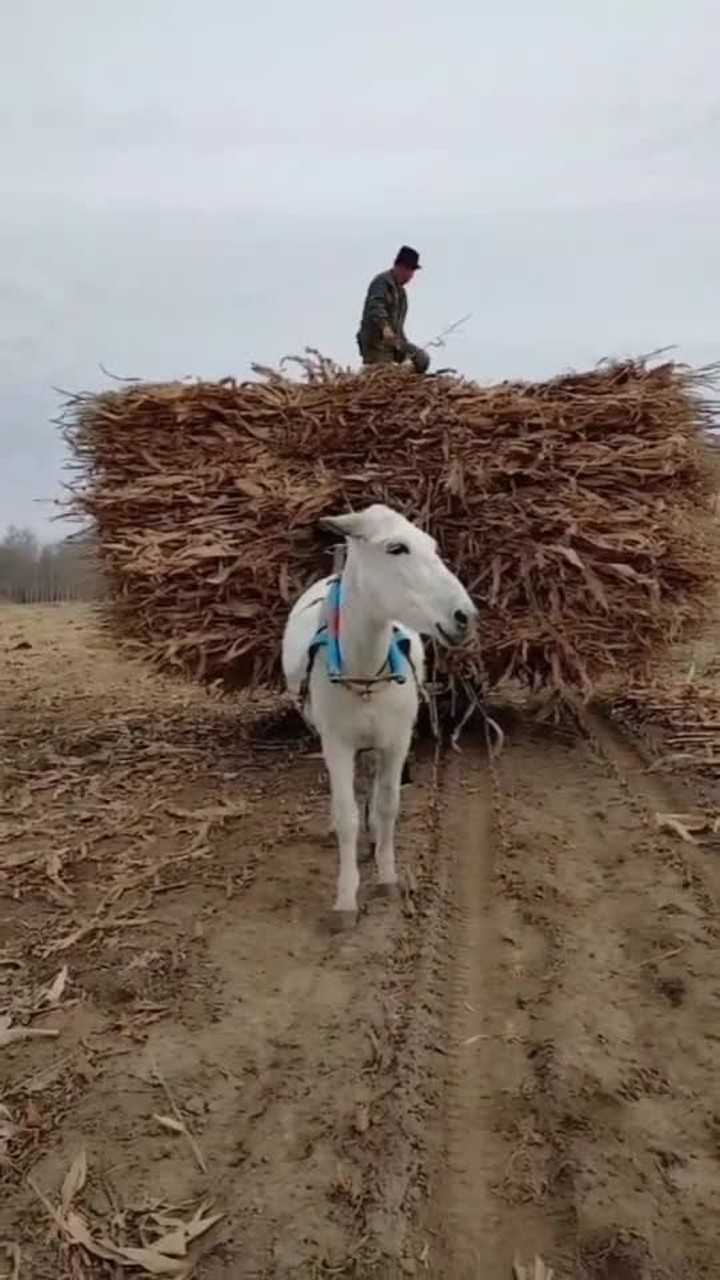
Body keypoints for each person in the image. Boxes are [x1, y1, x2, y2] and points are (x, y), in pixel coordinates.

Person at [357, 246, 430, 374]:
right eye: (410, 270)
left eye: (413, 271)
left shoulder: (401, 293)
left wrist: (403, 343)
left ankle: (399, 374)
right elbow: (375, 306)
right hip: (376, 344)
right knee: (384, 372)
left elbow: (398, 325)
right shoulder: (381, 282)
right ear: (400, 267)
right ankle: (369, 372)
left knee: (421, 358)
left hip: (395, 343)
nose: (411, 275)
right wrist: (384, 327)